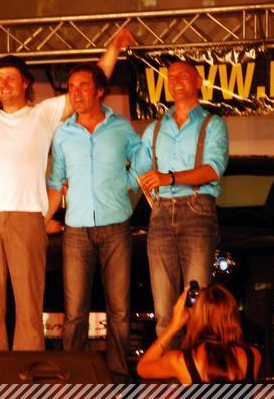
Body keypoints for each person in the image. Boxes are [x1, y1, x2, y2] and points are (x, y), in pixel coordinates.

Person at [0, 28, 134, 351]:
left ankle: (26, 375)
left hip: (28, 217)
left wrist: (113, 48)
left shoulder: (43, 114)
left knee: (29, 308)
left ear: (26, 83)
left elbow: (91, 82)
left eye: (11, 78)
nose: (4, 84)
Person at [44, 62, 141, 380]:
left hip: (116, 225)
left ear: (100, 91)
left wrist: (127, 182)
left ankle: (118, 376)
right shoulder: (63, 133)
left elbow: (142, 159)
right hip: (76, 229)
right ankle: (74, 376)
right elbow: (56, 180)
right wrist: (44, 219)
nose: (76, 93)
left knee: (120, 310)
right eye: (71, 87)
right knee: (74, 312)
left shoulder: (121, 127)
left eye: (83, 86)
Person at [134, 61, 229, 345]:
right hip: (160, 214)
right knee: (164, 312)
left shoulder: (212, 124)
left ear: (198, 81)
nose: (175, 80)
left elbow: (213, 169)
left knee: (198, 305)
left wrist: (170, 178)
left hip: (197, 210)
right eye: (170, 77)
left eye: (182, 76)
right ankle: (170, 370)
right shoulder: (154, 129)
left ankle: (198, 369)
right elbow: (136, 173)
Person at [136, 284, 261, 383]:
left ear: (197, 318)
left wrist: (173, 326)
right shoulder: (253, 356)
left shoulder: (181, 361)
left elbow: (142, 368)